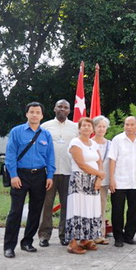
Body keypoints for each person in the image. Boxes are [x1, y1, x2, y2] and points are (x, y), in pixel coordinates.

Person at [3, 102, 55, 258]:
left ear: (42, 116)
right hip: (20, 175)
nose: (34, 115)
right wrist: (13, 175)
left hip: (40, 176)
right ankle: (9, 246)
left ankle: (27, 242)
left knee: (35, 211)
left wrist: (50, 175)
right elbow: (10, 154)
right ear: (26, 114)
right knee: (15, 211)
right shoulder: (17, 132)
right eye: (31, 112)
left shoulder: (45, 135)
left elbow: (50, 156)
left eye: (37, 112)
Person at [38, 99, 79, 247]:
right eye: (59, 107)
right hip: (49, 173)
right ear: (54, 109)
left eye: (65, 107)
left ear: (69, 111)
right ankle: (44, 235)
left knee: (67, 206)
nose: (62, 109)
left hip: (69, 171)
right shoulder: (45, 126)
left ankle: (65, 235)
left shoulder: (75, 127)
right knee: (47, 204)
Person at [66, 117, 106, 254]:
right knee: (77, 210)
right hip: (79, 180)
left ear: (93, 129)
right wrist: (100, 174)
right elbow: (81, 164)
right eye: (84, 126)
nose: (87, 128)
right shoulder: (75, 142)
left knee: (89, 209)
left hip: (93, 180)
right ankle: (72, 243)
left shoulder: (93, 144)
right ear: (79, 128)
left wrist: (99, 178)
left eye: (89, 126)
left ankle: (85, 239)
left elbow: (99, 161)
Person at [108, 116, 136, 247]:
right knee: (118, 210)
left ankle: (129, 236)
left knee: (134, 211)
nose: (129, 127)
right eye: (126, 124)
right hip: (119, 181)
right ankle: (118, 237)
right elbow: (112, 160)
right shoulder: (117, 140)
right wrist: (111, 179)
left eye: (132, 124)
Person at [91, 115, 111, 245]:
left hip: (104, 182)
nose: (101, 129)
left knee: (101, 208)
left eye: (104, 126)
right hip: (89, 181)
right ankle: (89, 234)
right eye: (99, 126)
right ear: (94, 127)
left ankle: (100, 234)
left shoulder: (111, 144)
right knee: (89, 208)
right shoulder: (89, 142)